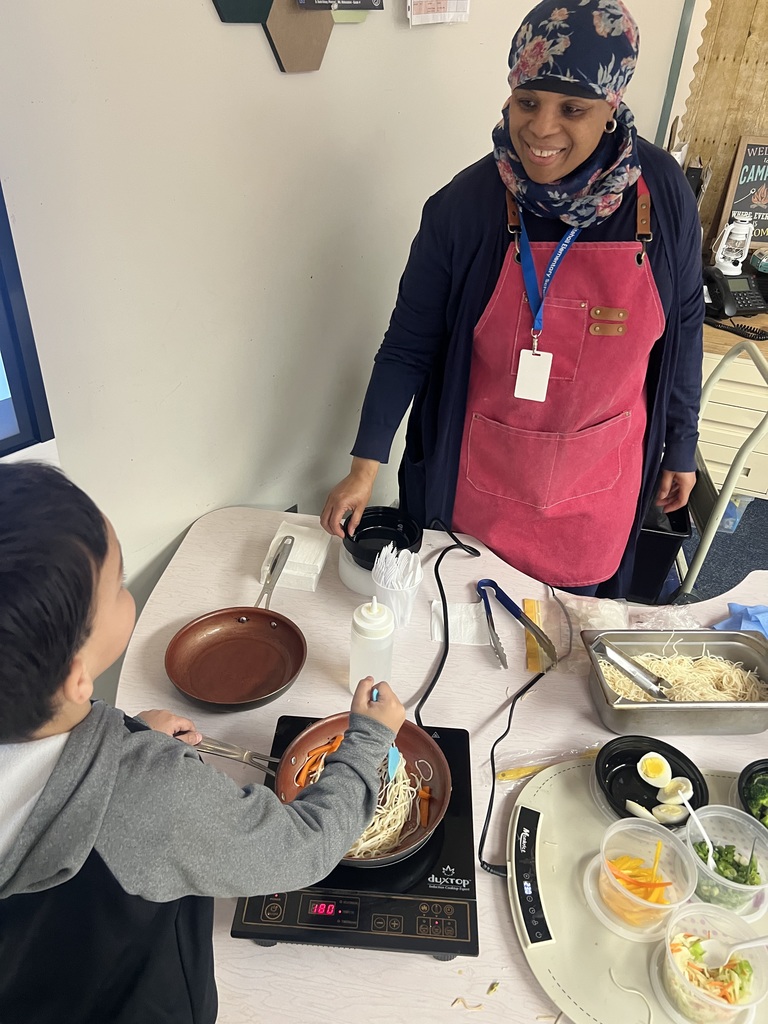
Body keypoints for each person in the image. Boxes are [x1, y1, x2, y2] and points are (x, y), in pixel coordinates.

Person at [321, 0, 703, 598]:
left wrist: (682, 443)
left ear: (612, 108)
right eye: (528, 101)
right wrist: (364, 467)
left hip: (601, 480)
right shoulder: (464, 208)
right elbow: (407, 345)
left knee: (564, 657)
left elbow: (683, 324)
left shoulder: (662, 195)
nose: (541, 129)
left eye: (571, 109)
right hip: (481, 481)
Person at [0, 461, 405, 1024]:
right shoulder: (150, 797)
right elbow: (303, 846)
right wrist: (369, 740)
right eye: (117, 585)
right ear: (74, 676)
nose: (126, 592)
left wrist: (120, 733)